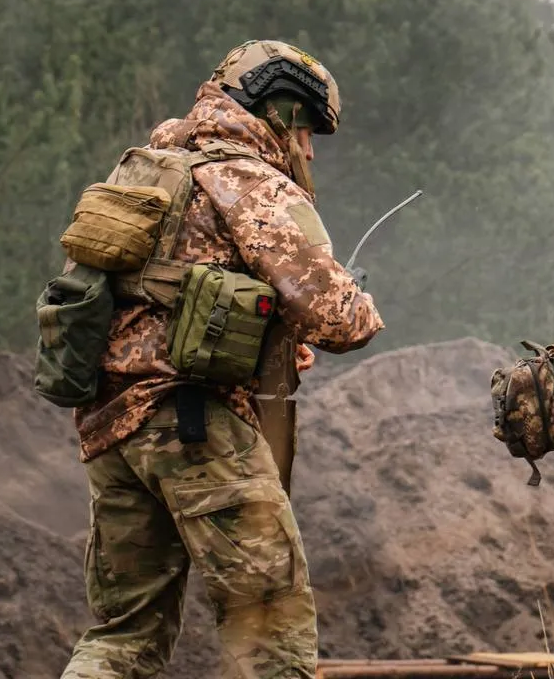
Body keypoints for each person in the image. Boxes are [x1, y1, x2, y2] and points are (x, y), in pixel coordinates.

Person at [60, 40, 383, 679]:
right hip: (195, 428)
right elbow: (340, 319)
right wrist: (361, 303)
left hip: (110, 429)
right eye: (308, 129)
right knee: (270, 630)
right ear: (280, 111)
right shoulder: (248, 180)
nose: (311, 150)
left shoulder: (145, 170)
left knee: (123, 637)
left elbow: (154, 300)